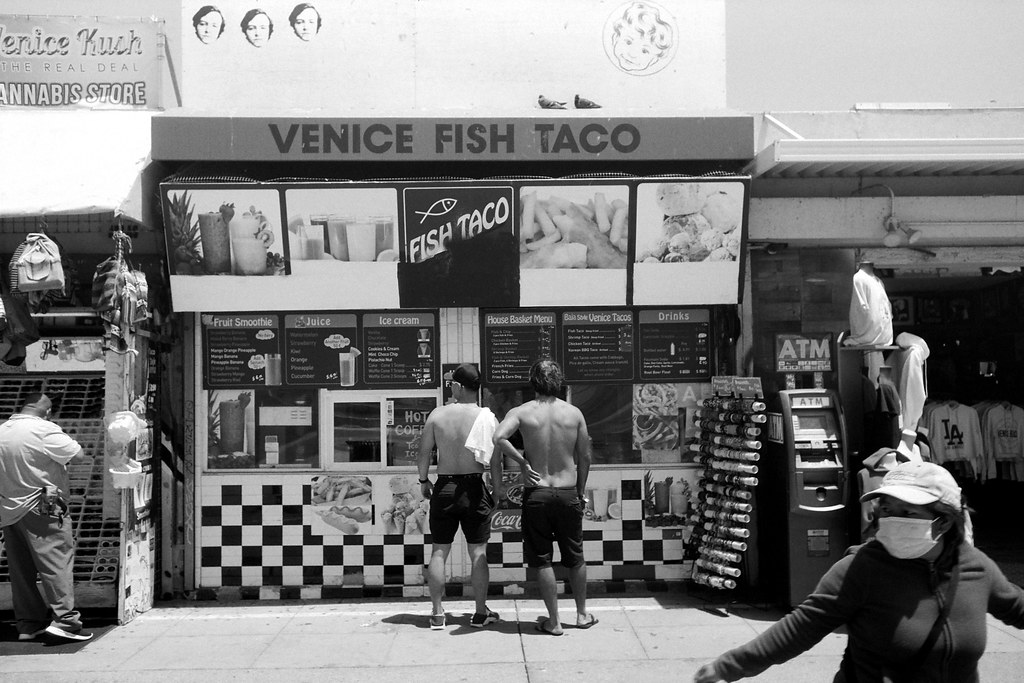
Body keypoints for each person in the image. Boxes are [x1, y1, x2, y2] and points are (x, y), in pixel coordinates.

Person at [694, 461, 1024, 682]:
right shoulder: (861, 568)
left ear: (945, 521)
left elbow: (1015, 606)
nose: (892, 518)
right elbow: (800, 628)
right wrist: (728, 667)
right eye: (886, 509)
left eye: (907, 511)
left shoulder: (975, 566)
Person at [493, 359, 598, 635]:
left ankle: (554, 621)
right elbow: (585, 456)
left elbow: (499, 437)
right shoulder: (574, 413)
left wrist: (522, 461)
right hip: (567, 492)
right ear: (558, 382)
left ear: (533, 382)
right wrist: (579, 489)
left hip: (537, 493)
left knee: (542, 558)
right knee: (575, 556)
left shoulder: (522, 412)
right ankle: (582, 614)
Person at [0, 393, 93, 642]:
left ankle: (28, 625)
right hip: (44, 508)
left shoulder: (3, 430)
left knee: (21, 571)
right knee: (56, 565)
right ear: (47, 411)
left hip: (9, 509)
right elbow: (78, 455)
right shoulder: (44, 430)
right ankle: (67, 622)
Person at [417, 363, 500, 630]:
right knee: (478, 552)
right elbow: (495, 460)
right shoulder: (487, 417)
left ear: (458, 386)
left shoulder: (437, 415)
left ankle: (438, 613)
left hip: (445, 487)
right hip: (474, 487)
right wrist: (497, 491)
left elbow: (423, 452)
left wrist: (423, 480)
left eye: (452, 383)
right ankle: (478, 613)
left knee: (439, 550)